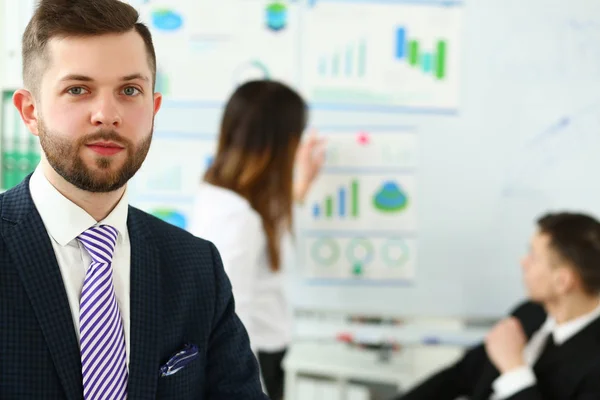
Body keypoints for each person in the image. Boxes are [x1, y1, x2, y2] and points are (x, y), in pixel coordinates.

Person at [0, 1, 267, 399]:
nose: (107, 114)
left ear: (153, 109)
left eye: (129, 90)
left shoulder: (195, 267)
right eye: (78, 89)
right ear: (30, 111)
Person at [189, 80, 325, 400]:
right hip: (256, 362)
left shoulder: (235, 198)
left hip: (266, 355)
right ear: (279, 144)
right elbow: (235, 322)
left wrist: (301, 188)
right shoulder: (237, 218)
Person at [395, 212, 600, 400]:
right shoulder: (530, 312)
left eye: (534, 257)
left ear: (562, 281)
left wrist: (514, 369)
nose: (523, 262)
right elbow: (460, 375)